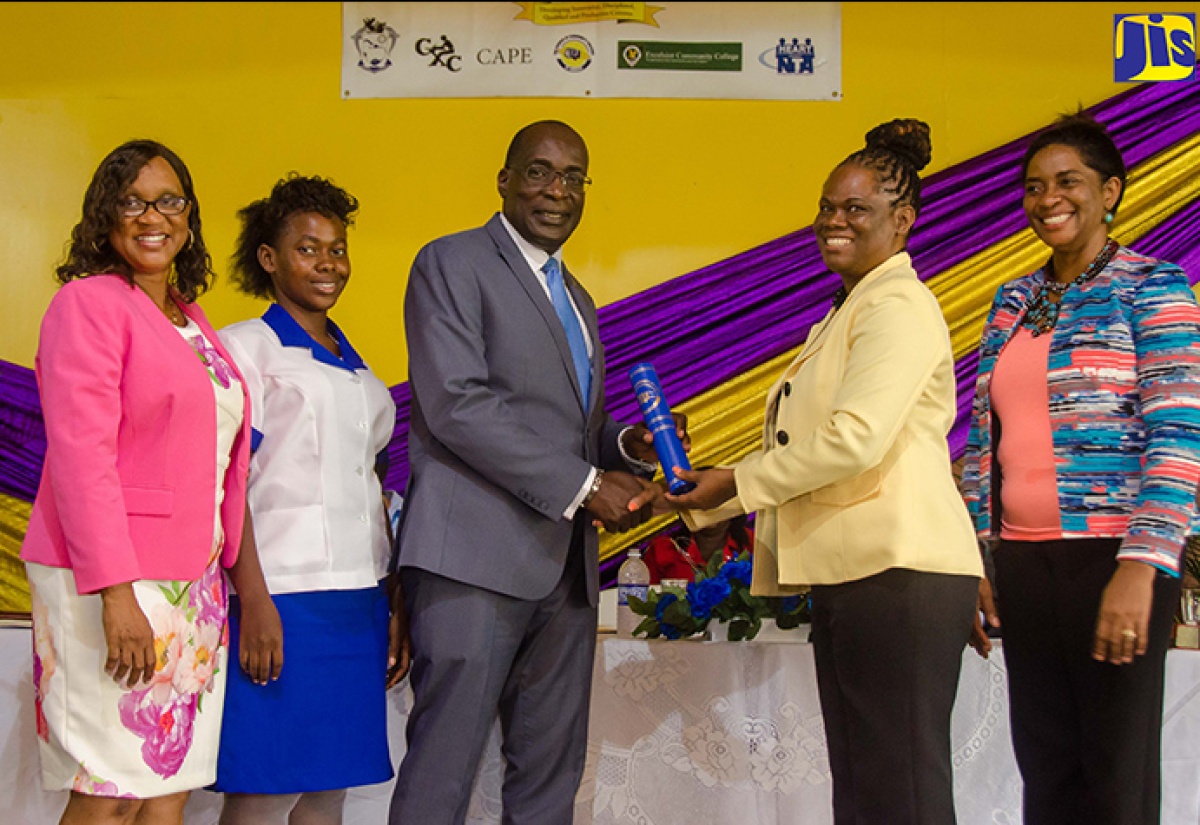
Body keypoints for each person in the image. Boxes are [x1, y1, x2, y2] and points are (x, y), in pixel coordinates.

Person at [644, 119, 985, 825]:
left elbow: (852, 441)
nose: (834, 220)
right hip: (858, 574)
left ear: (903, 220)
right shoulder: (850, 308)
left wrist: (733, 484)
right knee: (862, 788)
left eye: (855, 208)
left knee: (902, 792)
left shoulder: (898, 305)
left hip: (901, 575)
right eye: (828, 206)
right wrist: (706, 491)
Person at [390, 119, 679, 824]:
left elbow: (565, 427)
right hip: (472, 563)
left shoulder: (575, 296)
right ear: (505, 180)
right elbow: (457, 404)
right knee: (444, 770)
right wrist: (585, 486)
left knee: (550, 777)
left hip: (564, 574)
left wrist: (625, 446)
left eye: (574, 177)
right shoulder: (450, 262)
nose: (558, 190)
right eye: (541, 172)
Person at [960, 111, 1200, 825]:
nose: (1047, 199)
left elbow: (1181, 435)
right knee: (1048, 768)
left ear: (1111, 191)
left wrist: (1144, 563)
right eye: (1034, 187)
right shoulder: (1012, 300)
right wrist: (974, 550)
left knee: (1115, 776)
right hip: (1025, 564)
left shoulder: (1154, 287)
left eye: (1069, 182)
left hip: (1116, 559)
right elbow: (981, 439)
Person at [20, 139, 251, 824]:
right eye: (133, 201)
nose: (153, 216)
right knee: (109, 790)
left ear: (189, 214)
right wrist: (115, 593)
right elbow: (80, 456)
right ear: (105, 216)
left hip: (194, 581)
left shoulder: (187, 316)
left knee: (166, 785)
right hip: (112, 578)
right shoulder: (86, 305)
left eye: (169, 200)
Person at [211, 175, 407, 824]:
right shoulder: (247, 349)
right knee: (266, 785)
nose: (328, 263)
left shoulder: (357, 368)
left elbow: (373, 489)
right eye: (308, 248)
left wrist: (392, 600)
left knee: (329, 788)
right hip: (283, 596)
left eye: (338, 248)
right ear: (268, 258)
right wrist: (257, 599)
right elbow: (226, 485)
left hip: (357, 601)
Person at [642, 513, 753, 584]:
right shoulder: (663, 547)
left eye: (717, 500)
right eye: (703, 500)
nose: (709, 507)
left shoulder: (753, 544)